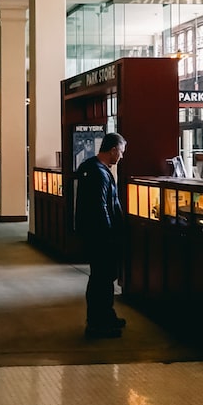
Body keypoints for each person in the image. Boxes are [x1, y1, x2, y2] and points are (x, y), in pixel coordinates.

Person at [74, 133, 127, 339]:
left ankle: (106, 315)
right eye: (121, 152)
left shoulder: (93, 168)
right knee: (101, 279)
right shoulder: (99, 173)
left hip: (94, 235)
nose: (121, 157)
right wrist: (109, 235)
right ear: (113, 150)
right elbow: (101, 207)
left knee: (102, 277)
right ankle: (98, 322)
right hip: (101, 237)